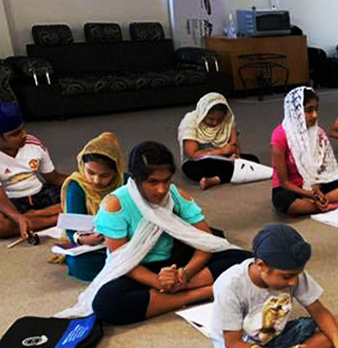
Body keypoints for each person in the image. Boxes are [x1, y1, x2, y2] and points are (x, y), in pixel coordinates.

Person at [56, 141, 251, 325]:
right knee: (106, 303)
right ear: (135, 178)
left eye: (166, 181)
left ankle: (175, 293)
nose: (161, 189)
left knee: (246, 260)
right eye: (152, 182)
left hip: (178, 262)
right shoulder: (115, 204)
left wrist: (184, 275)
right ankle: (204, 292)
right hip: (138, 269)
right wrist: (158, 282)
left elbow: (206, 243)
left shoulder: (175, 194)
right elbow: (123, 261)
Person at [271, 86, 338, 216]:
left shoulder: (318, 133)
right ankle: (335, 204)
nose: (315, 115)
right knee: (284, 201)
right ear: (295, 112)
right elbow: (284, 182)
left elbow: (323, 171)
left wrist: (316, 191)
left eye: (316, 109)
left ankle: (317, 204)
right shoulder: (280, 135)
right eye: (309, 111)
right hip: (292, 189)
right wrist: (310, 195)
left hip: (317, 186)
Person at [60, 132, 125, 281]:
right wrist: (82, 239)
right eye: (90, 172)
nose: (96, 180)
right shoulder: (77, 185)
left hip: (121, 241)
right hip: (94, 245)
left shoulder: (124, 182)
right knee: (79, 263)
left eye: (104, 175)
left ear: (116, 171)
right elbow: (71, 228)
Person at [178, 93, 271, 190]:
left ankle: (216, 179)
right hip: (199, 161)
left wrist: (235, 155)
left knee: (253, 160)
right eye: (211, 119)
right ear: (203, 113)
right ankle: (226, 175)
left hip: (224, 158)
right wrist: (221, 151)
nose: (215, 123)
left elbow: (234, 145)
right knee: (198, 169)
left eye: (219, 120)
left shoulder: (228, 120)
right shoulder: (190, 122)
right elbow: (193, 154)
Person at [0, 101, 65, 239]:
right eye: (15, 134)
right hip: (11, 202)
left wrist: (81, 180)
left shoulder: (33, 143)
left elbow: (53, 178)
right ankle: (58, 219)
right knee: (1, 225)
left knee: (82, 195)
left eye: (23, 129)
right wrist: (17, 217)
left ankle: (33, 218)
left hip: (41, 195)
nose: (24, 135)